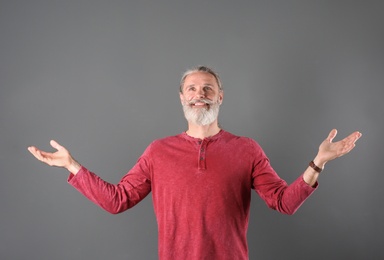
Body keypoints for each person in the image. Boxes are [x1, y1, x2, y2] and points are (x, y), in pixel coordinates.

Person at [28, 66, 362, 260]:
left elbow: (283, 203)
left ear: (220, 96)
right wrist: (72, 166)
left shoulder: (246, 149)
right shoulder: (158, 151)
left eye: (207, 88)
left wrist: (318, 161)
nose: (198, 93)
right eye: (191, 88)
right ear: (181, 97)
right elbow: (117, 200)